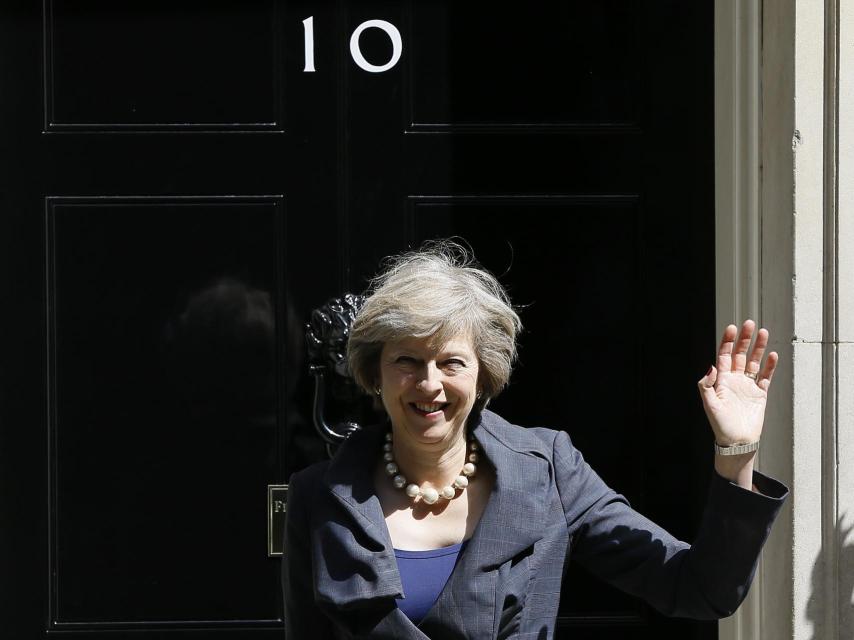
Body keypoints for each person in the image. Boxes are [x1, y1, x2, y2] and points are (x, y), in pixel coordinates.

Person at [282, 240, 788, 639]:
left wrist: (735, 453)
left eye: (451, 362)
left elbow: (698, 589)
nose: (430, 383)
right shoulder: (319, 497)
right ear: (376, 374)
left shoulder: (548, 470)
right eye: (406, 362)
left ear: (484, 375)